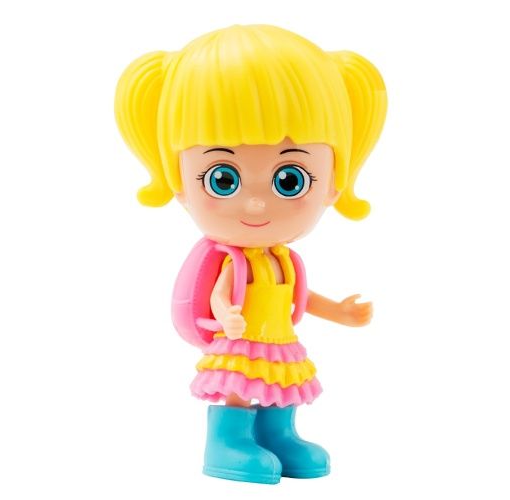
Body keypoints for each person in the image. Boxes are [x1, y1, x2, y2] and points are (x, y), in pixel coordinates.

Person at [115, 24, 387, 484]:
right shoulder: (235, 261)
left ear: (332, 184)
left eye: (289, 180)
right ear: (179, 182)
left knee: (281, 384)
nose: (257, 205)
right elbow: (220, 294)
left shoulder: (284, 261)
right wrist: (226, 315)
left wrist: (339, 312)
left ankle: (277, 434)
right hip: (241, 338)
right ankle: (228, 440)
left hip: (277, 338)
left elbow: (299, 296)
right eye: (223, 179)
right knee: (240, 386)